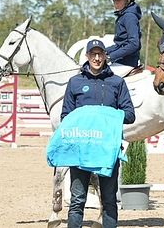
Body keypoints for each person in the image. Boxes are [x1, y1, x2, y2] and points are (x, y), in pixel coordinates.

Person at [61, 39, 136, 228]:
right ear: (87, 56)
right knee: (77, 199)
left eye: (100, 54)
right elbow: (65, 116)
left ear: (105, 56)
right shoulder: (75, 82)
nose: (96, 58)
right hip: (81, 151)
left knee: (109, 200)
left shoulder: (117, 82)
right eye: (93, 54)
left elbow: (130, 114)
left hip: (107, 150)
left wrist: (105, 115)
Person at [105, 0, 143, 78]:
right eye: (114, 0)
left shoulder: (129, 17)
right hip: (120, 61)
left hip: (127, 62)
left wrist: (110, 57)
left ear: (128, 0)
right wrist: (102, 51)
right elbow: (120, 44)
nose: (115, 3)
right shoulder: (123, 16)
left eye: (118, 0)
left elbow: (134, 44)